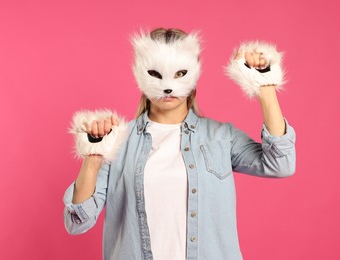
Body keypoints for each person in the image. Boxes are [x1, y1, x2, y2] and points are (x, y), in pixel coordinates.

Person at [63, 28, 296, 260]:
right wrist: (94, 156)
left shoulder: (221, 137)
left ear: (193, 73)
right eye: (156, 73)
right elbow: (77, 222)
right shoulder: (118, 142)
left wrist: (265, 86)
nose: (168, 87)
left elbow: (280, 164)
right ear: (140, 74)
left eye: (180, 73)